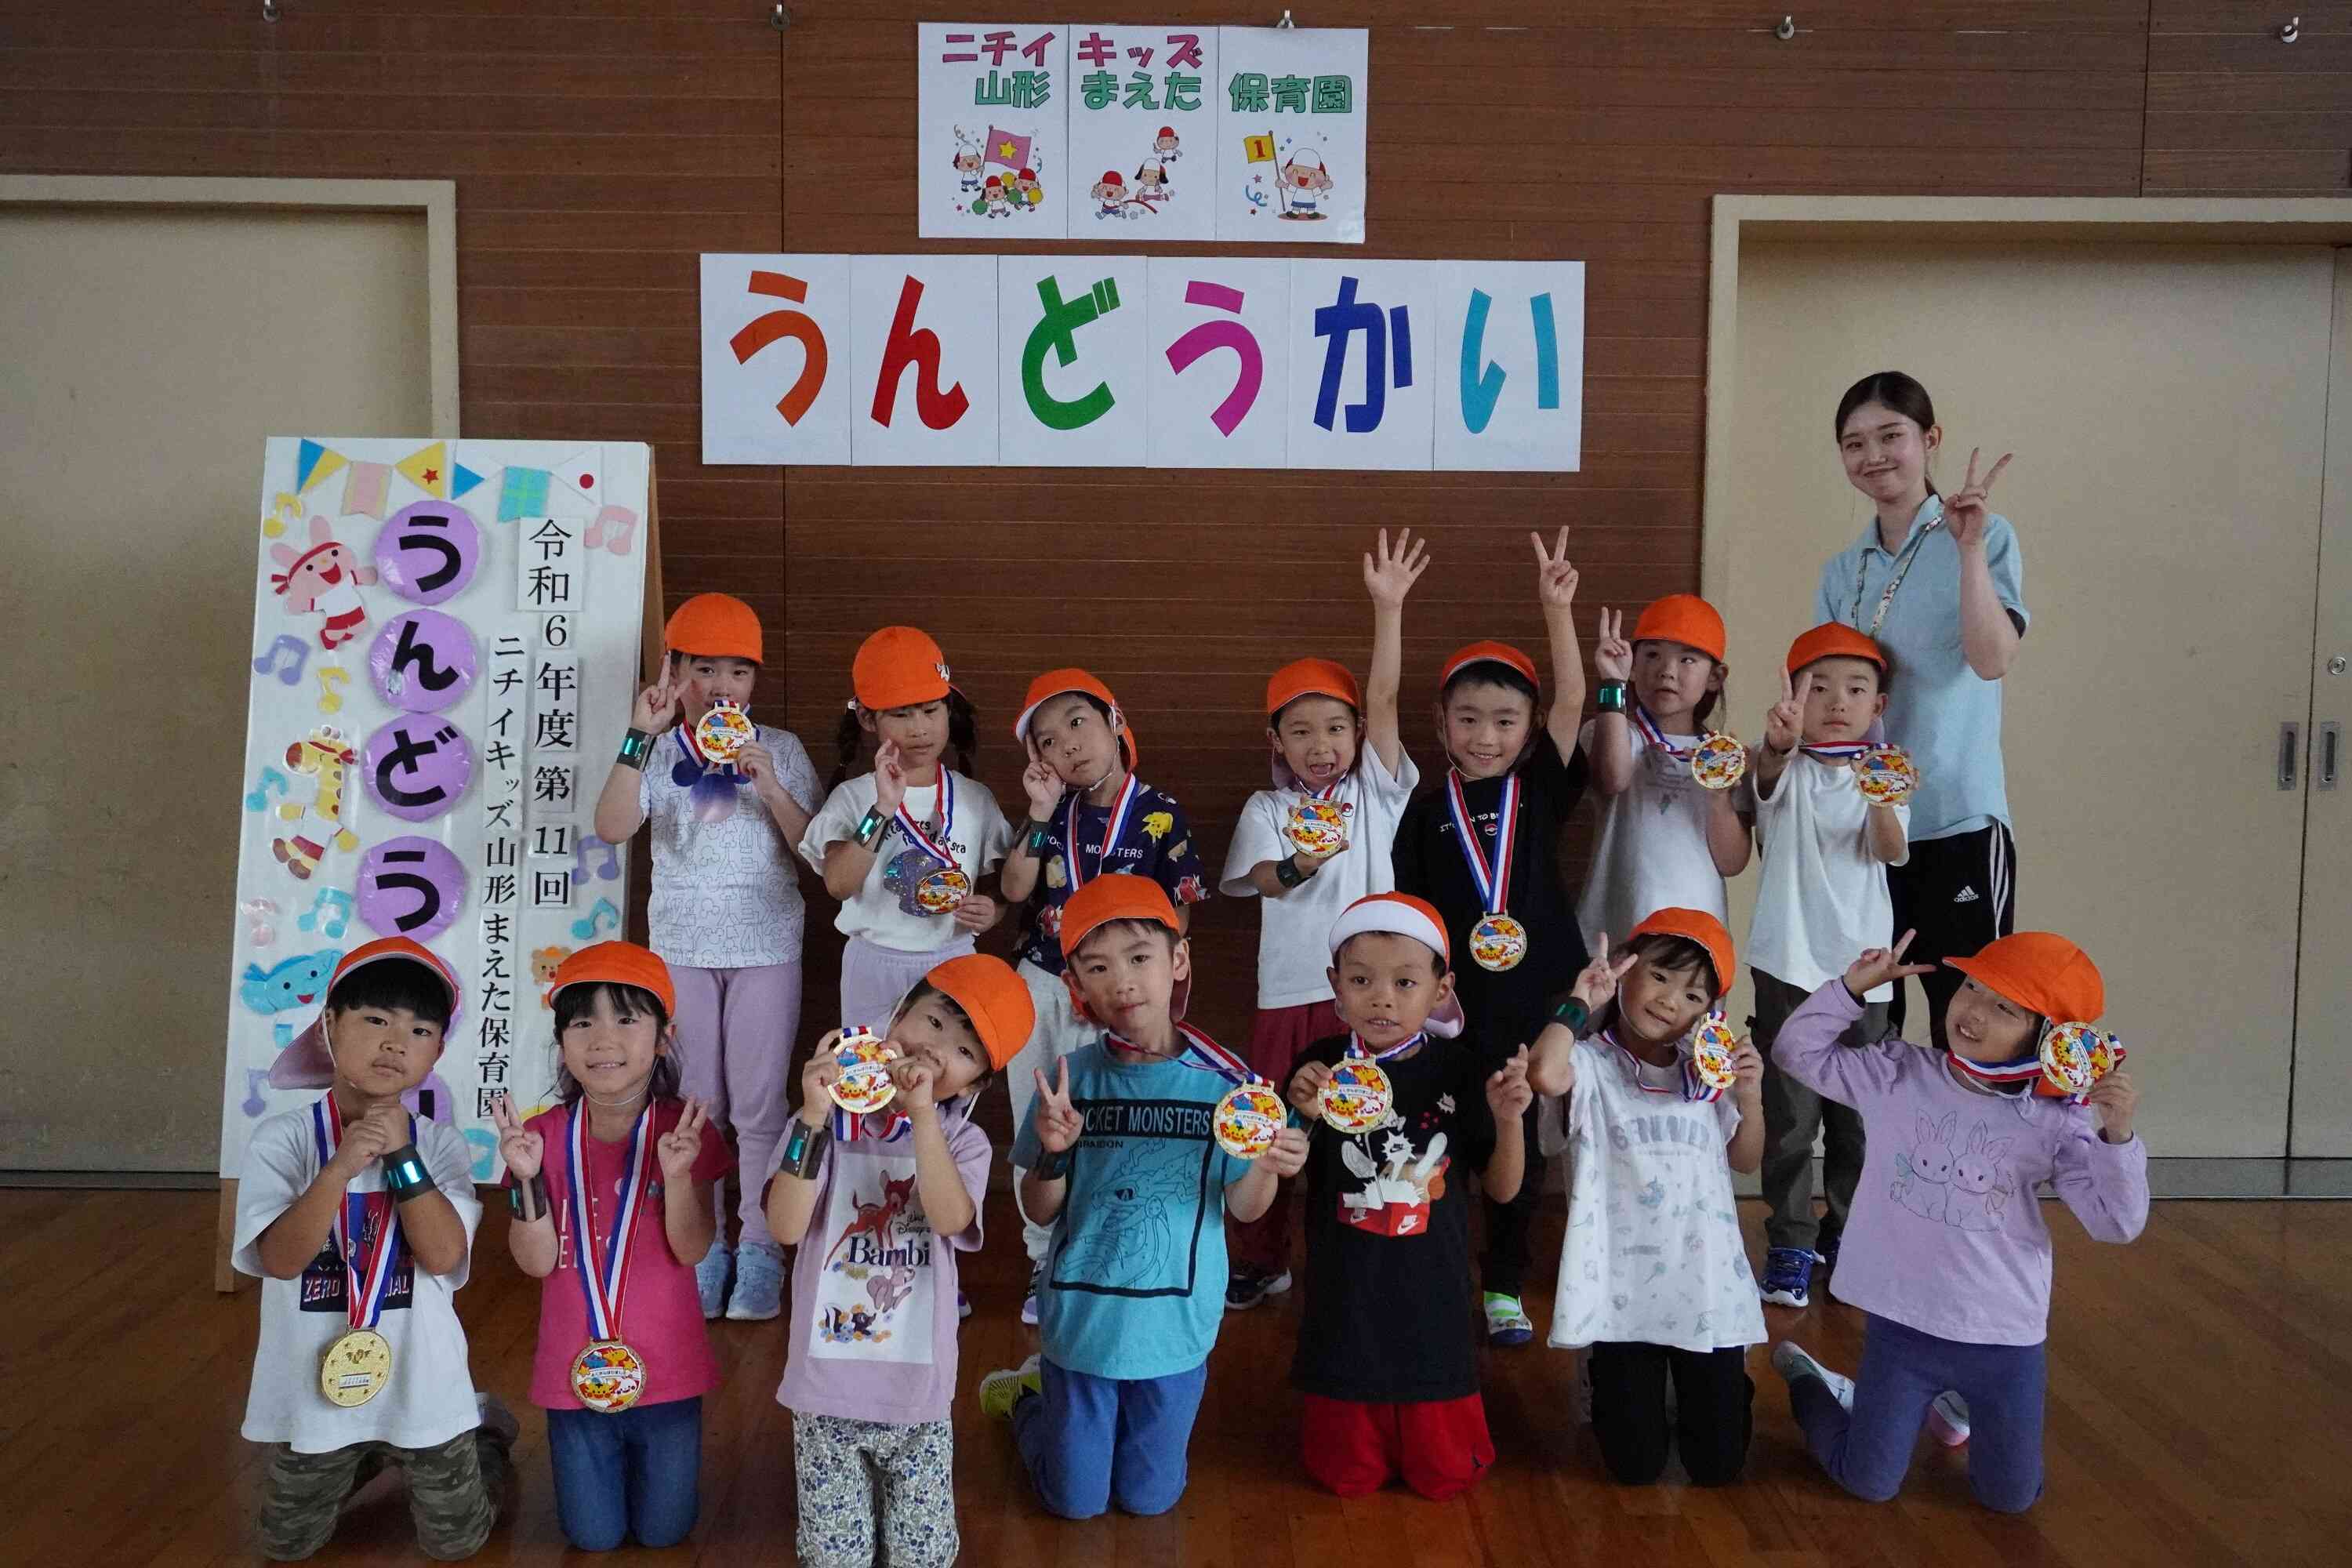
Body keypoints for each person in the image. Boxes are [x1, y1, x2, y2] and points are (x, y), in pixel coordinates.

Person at [1769, 930, 2147, 1513]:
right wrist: (1850, 991)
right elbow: (1796, 1053)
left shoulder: (2053, 1121)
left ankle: (1948, 1409)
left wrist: (2117, 1137)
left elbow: (2115, 1224)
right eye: (1971, 987)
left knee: (2011, 1498)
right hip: (1903, 1326)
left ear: (2048, 1039)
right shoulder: (1898, 1071)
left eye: (2004, 1007)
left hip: (2003, 1339)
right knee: (1869, 1481)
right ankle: (1813, 1383)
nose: (1971, 1011)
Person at [978, 875, 1308, 1519]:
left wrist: (1268, 1166)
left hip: (1175, 1331)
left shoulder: (1229, 1089)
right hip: (1080, 1327)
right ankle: (1026, 1398)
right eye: (1097, 968)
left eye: (1139, 958)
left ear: (1177, 960)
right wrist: (1052, 1148)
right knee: (1075, 1503)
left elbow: (1243, 1210)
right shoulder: (1066, 1086)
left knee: (1151, 1498)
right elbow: (1038, 1209)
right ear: (1075, 986)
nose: (1122, 982)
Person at [234, 938, 513, 1562]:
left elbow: (443, 1258)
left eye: (420, 1029)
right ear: (329, 1026)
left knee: (456, 1543)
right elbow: (279, 1262)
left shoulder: (440, 1145)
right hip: (317, 1388)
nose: (396, 1042)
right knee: (285, 1545)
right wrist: (338, 1168)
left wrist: (402, 1158)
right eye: (376, 1020)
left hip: (424, 1384)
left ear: (437, 1050)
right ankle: (365, 1456)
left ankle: (484, 1435)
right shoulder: (282, 1140)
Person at [591, 592, 821, 1323]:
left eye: (739, 672)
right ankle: (704, 1248)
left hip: (767, 944)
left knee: (759, 1106)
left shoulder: (780, 748)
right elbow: (610, 826)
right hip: (682, 946)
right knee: (699, 1105)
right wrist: (637, 733)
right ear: (676, 672)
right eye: (704, 669)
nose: (723, 687)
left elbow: (816, 854)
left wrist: (772, 786)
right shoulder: (657, 750)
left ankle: (759, 1249)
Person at [764, 954, 1034, 1568]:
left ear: (972, 1086)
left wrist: (919, 1118)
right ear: (895, 1015)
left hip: (917, 1392)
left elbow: (949, 1217)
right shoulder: (826, 1122)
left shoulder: (963, 1141)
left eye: (965, 1053)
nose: (938, 1052)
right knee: (836, 1558)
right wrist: (812, 1113)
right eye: (934, 1022)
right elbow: (784, 1225)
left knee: (923, 1556)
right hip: (824, 1389)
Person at [1218, 527, 1426, 1311]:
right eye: (1300, 730)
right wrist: (1301, 864)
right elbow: (1263, 877)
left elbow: (1383, 698)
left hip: (1370, 996)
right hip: (1288, 990)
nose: (1321, 744)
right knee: (1274, 1120)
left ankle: (1360, 1250)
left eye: (1335, 727)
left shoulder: (1375, 791)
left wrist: (1388, 608)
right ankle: (1261, 1255)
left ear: (1358, 736)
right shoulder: (1267, 805)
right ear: (1276, 741)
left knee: (1368, 1121)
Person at [1392, 527, 1590, 1346]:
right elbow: (1407, 909)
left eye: (1505, 720)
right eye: (1468, 718)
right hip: (1454, 1007)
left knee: (1523, 1140)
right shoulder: (1424, 806)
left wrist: (1557, 610)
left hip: (1538, 995)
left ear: (1528, 727)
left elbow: (1577, 701)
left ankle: (1506, 1282)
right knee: (1448, 1140)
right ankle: (1437, 1274)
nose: (1485, 734)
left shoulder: (1539, 786)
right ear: (1440, 721)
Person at [1284, 894, 1530, 1499]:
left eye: (1405, 981)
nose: (1383, 998)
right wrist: (1299, 1114)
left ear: (1441, 990)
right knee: (1346, 1477)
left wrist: (1510, 1119)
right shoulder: (1319, 1066)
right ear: (1335, 987)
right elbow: (1285, 1179)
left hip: (1434, 1297)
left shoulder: (1462, 1069)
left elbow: (1503, 1189)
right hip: (1345, 1296)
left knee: (1448, 1476)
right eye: (1361, 980)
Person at [493, 943, 728, 1552]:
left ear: (663, 1037)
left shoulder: (685, 1131)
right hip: (575, 1373)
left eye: (626, 1019)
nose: (602, 1038)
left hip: (670, 1370)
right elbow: (536, 1260)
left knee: (665, 1532)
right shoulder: (541, 1137)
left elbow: (694, 1248)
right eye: (581, 1021)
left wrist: (677, 1175)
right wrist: (525, 1180)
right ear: (562, 1041)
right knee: (593, 1537)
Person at [1815, 371, 2026, 1049]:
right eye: (1854, 443)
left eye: (1890, 436)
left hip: (1954, 820)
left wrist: (1966, 550)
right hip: (1867, 829)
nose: (1872, 455)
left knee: (1967, 1022)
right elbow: (1826, 699)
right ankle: (1883, 1159)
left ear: (1929, 439)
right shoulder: (1842, 572)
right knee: (1870, 1021)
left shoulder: (1985, 538)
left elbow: (1992, 659)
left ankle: (1973, 1160)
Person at [1529, 909, 1768, 1487]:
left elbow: (1746, 1159)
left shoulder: (1706, 1077)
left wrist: (1753, 1095)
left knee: (1718, 1467)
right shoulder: (1590, 1061)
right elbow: (1543, 1073)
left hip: (1704, 1287)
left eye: (1693, 994)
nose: (1670, 1000)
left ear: (1707, 1012)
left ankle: (1728, 1383)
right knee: (1634, 1467)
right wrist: (1579, 1001)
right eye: (1660, 977)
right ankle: (1616, 1381)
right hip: (1623, 1296)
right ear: (1625, 971)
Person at [997, 669, 1208, 1323]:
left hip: (1116, 991)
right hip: (1041, 981)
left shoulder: (1160, 811)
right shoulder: (1049, 812)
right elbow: (1012, 890)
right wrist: (1036, 813)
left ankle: (1097, 1250)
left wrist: (1144, 984)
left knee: (1109, 1122)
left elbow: (1183, 913)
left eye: (1079, 724)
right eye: (1050, 741)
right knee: (1037, 1118)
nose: (1070, 746)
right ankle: (1042, 1258)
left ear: (1115, 719)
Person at [1748, 624, 1911, 1308]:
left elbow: (1891, 849)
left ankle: (1849, 1232)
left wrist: (1878, 794)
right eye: (1818, 687)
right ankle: (1789, 1238)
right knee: (1789, 1116)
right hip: (1787, 961)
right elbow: (1762, 785)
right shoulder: (1782, 765)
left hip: (1866, 969)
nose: (1837, 701)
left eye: (1855, 688)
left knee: (1856, 1115)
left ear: (1878, 705)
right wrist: (1780, 744)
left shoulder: (1888, 769)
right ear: (1791, 698)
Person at [801, 626, 1011, 1029]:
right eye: (901, 714)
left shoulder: (975, 797)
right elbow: (838, 885)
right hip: (873, 958)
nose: (919, 728)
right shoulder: (852, 796)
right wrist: (883, 807)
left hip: (952, 956)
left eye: (931, 710)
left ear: (949, 709)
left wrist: (993, 911)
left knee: (941, 1077)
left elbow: (999, 884)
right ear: (866, 717)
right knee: (869, 1076)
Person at [1576, 593, 1751, 949]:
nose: (1667, 671)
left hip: (1695, 939)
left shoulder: (1724, 756)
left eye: (1687, 659)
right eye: (1652, 655)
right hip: (1613, 929)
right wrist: (1613, 684)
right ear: (1634, 664)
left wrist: (1719, 797)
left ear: (1716, 677)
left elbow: (1732, 862)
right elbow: (1613, 779)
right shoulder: (1613, 731)